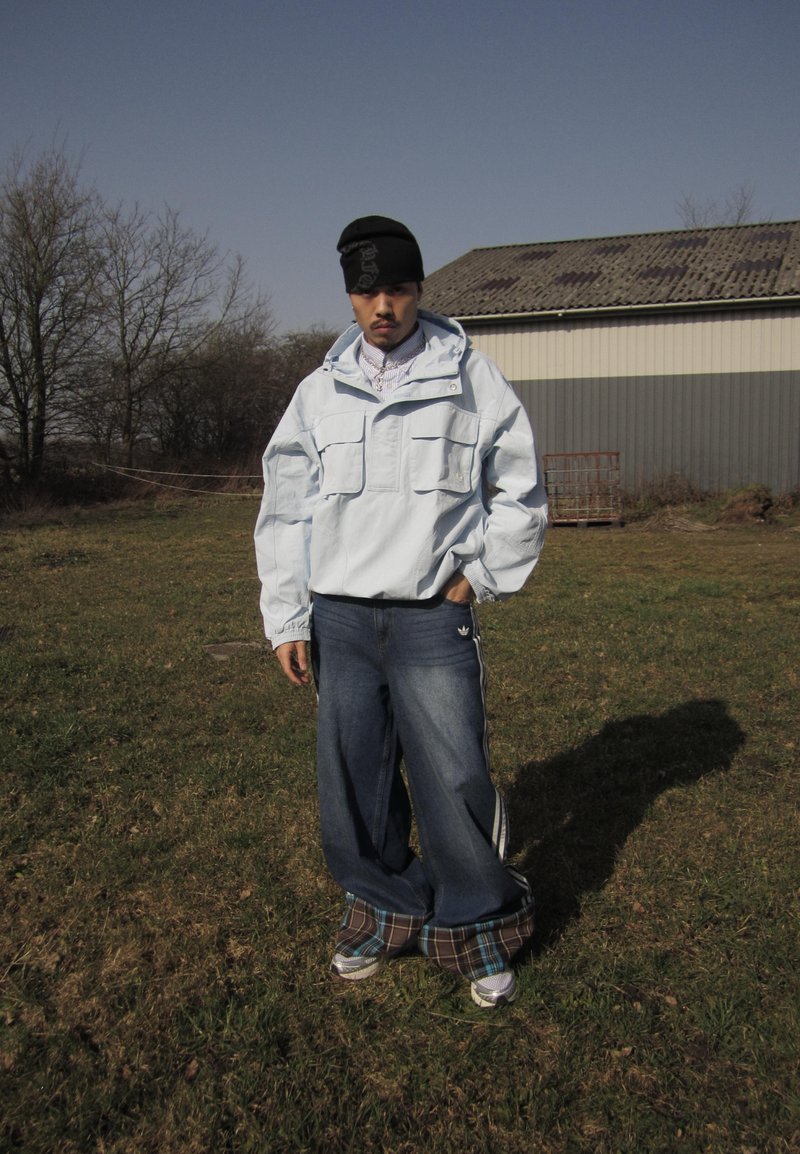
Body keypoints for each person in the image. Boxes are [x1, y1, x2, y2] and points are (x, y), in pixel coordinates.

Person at [254, 216, 548, 1008]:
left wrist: (479, 573)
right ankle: (381, 910)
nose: (382, 305)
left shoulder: (470, 378)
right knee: (352, 780)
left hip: (429, 618)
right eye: (366, 290)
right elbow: (286, 510)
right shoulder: (318, 394)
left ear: (418, 290)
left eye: (397, 288)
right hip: (340, 621)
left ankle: (477, 925)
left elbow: (520, 490)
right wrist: (287, 616)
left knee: (454, 776)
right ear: (349, 297)